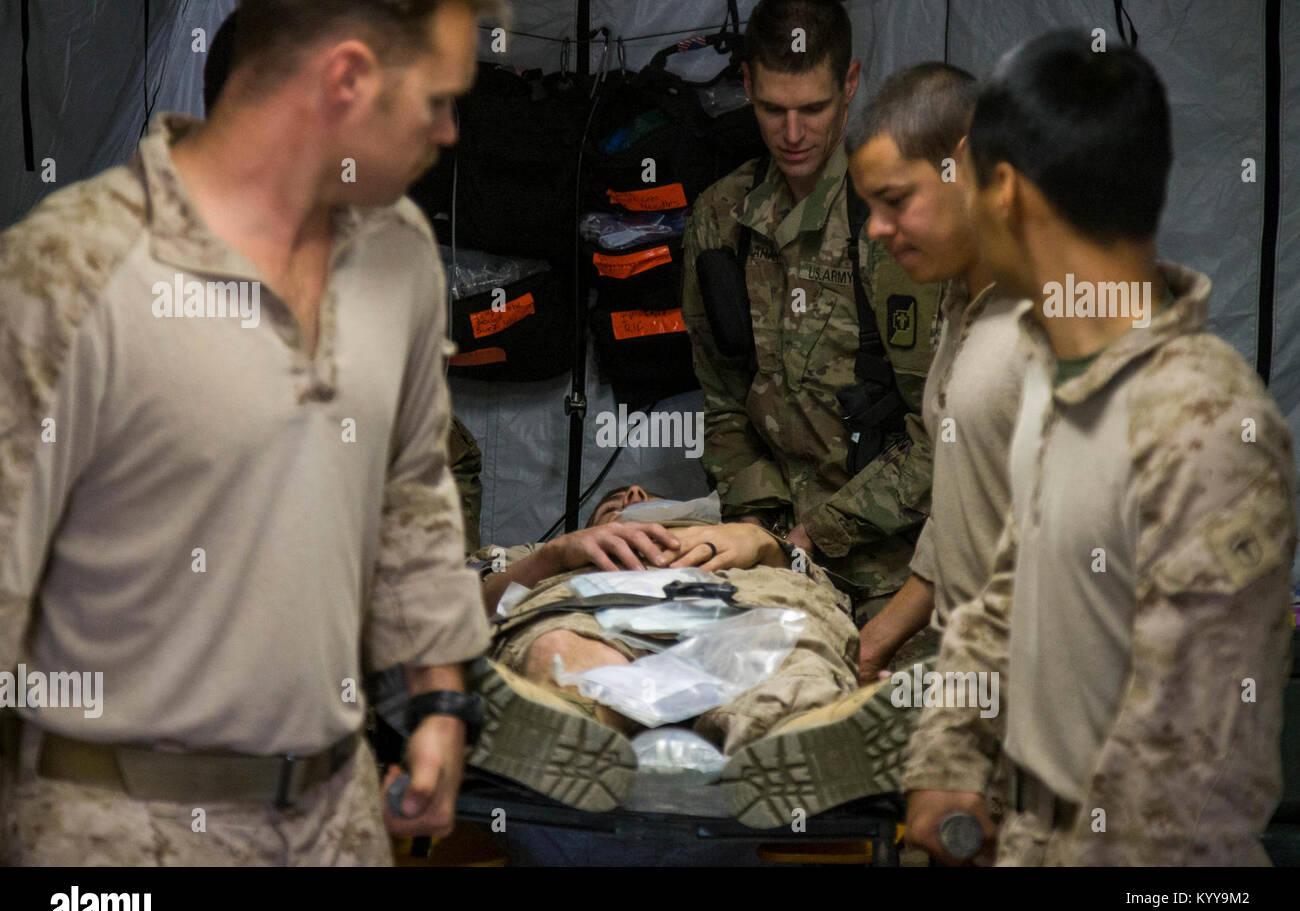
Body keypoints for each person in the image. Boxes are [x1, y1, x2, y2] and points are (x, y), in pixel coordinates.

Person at [0, 0, 503, 866]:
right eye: (435, 101)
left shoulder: (400, 255)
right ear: (345, 81)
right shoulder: (71, 270)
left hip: (335, 817)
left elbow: (413, 489)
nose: (451, 131)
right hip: (117, 838)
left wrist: (439, 702)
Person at [902, 31, 1296, 866]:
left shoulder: (1207, 432)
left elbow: (1182, 791)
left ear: (1005, 192)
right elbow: (1010, 595)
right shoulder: (1056, 373)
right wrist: (948, 758)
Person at [680, 0, 943, 628]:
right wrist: (756, 526)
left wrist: (808, 539)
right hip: (762, 549)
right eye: (773, 109)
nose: (792, 133)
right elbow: (722, 401)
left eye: (814, 109)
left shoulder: (891, 226)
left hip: (890, 575)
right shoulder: (722, 220)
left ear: (850, 84)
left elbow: (942, 440)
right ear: (745, 86)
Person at [462, 485, 917, 828]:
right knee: (561, 653)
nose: (636, 494)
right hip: (587, 601)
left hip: (745, 603)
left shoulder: (743, 540)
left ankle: (800, 742)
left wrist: (767, 544)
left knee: (787, 667)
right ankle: (579, 740)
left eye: (647, 493)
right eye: (615, 499)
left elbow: (820, 586)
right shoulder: (540, 553)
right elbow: (464, 607)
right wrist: (556, 555)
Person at [844, 63, 1032, 677]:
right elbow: (966, 508)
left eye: (895, 200)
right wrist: (876, 641)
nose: (875, 228)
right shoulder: (959, 300)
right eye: (869, 206)